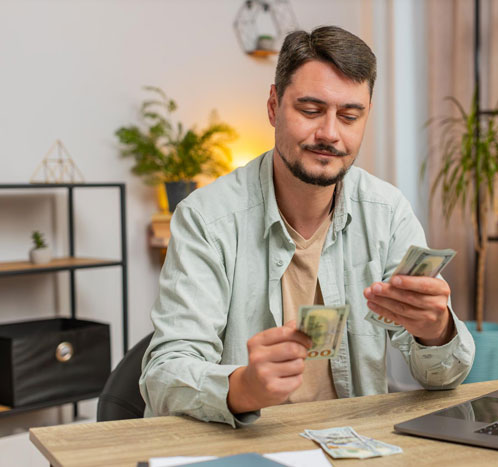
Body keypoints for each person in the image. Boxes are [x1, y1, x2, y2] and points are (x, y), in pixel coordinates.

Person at [140, 25, 475, 428]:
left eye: (350, 116)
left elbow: (445, 377)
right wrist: (242, 387)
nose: (330, 133)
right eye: (311, 111)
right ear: (273, 106)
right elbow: (164, 374)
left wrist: (435, 332)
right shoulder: (205, 219)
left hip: (356, 447)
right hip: (245, 448)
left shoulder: (388, 212)